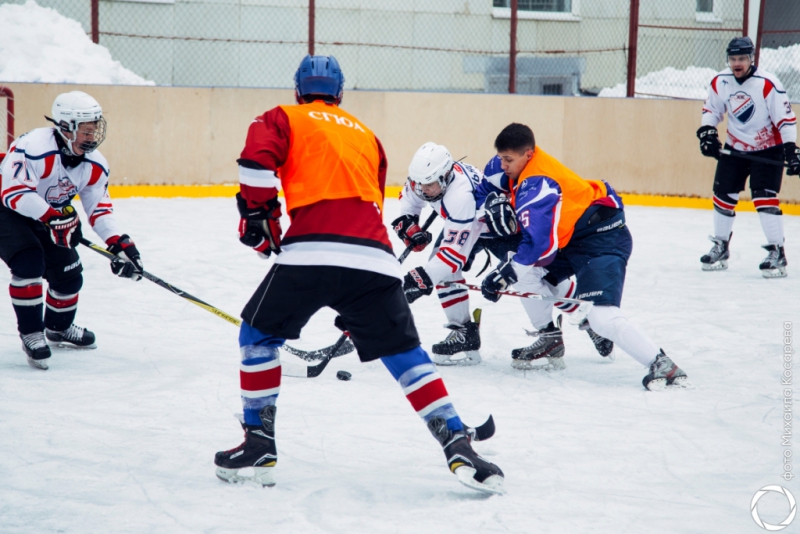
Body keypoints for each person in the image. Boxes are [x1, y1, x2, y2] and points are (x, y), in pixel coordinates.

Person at [213, 55, 504, 494]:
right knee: (404, 353)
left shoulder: (281, 117)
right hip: (375, 259)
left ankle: (258, 441)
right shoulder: (367, 134)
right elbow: (371, 199)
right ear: (340, 94)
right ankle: (458, 442)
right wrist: (350, 297)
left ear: (298, 91)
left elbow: (255, 166)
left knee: (257, 335)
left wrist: (260, 219)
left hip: (311, 250)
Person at [478, 123, 688, 390]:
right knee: (527, 273)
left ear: (528, 154)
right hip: (576, 238)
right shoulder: (519, 169)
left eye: (508, 159)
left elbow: (539, 244)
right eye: (501, 159)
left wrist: (504, 276)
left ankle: (661, 363)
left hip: (603, 238)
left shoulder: (535, 182)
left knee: (603, 318)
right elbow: (483, 191)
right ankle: (549, 337)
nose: (504, 165)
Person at [395, 142, 613, 365]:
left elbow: (452, 257)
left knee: (535, 275)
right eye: (419, 184)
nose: (423, 190)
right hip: (464, 224)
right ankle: (463, 331)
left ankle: (588, 318)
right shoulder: (424, 179)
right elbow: (410, 198)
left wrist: (419, 280)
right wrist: (409, 222)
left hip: (498, 231)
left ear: (445, 176)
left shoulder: (460, 196)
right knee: (438, 269)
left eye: (428, 185)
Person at [0, 91, 143, 370]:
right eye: (86, 131)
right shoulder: (34, 146)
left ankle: (58, 327)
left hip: (47, 215)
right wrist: (53, 216)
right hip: (7, 210)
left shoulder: (95, 164)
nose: (93, 137)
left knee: (68, 276)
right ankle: (31, 332)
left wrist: (120, 242)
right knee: (29, 263)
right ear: (65, 127)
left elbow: (99, 208)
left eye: (95, 129)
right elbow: (13, 193)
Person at [696, 36, 799, 277]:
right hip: (736, 148)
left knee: (764, 197)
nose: (737, 63)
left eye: (742, 58)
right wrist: (708, 133)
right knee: (723, 195)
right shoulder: (720, 81)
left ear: (751, 59)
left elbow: (786, 121)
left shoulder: (767, 83)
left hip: (768, 149)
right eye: (733, 59)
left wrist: (791, 150)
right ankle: (721, 246)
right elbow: (711, 110)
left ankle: (777, 252)